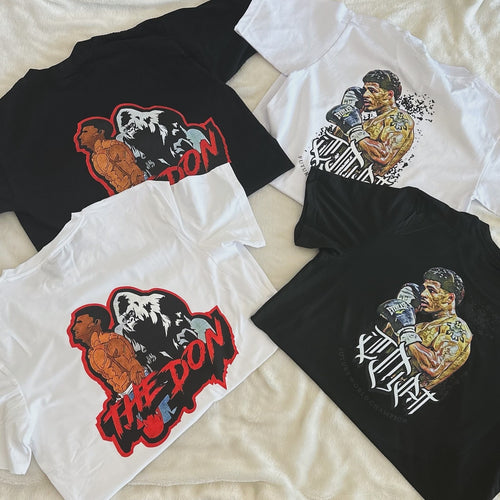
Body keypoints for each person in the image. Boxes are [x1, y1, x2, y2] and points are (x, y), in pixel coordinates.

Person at [377, 267, 473, 390]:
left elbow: (434, 367)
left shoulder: (457, 328)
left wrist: (407, 333)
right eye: (424, 289)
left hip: (408, 394)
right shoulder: (419, 326)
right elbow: (384, 346)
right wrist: (405, 309)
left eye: (431, 290)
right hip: (384, 384)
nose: (423, 294)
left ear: (449, 298)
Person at [326, 69, 414, 176]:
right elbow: (335, 144)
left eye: (372, 91)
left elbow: (383, 156)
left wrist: (356, 132)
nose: (365, 95)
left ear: (389, 95)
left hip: (363, 182)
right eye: (365, 90)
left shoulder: (399, 118)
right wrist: (350, 111)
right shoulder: (368, 122)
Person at [69, 305, 145, 399]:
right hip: (126, 395)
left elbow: (134, 365)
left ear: (96, 322)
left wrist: (141, 389)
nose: (73, 328)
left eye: (79, 322)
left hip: (140, 388)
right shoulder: (91, 353)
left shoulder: (111, 341)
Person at [76, 118, 145, 193]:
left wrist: (140, 192)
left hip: (138, 191)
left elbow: (135, 172)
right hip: (123, 195)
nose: (80, 137)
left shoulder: (113, 147)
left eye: (85, 132)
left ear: (100, 132)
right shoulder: (94, 157)